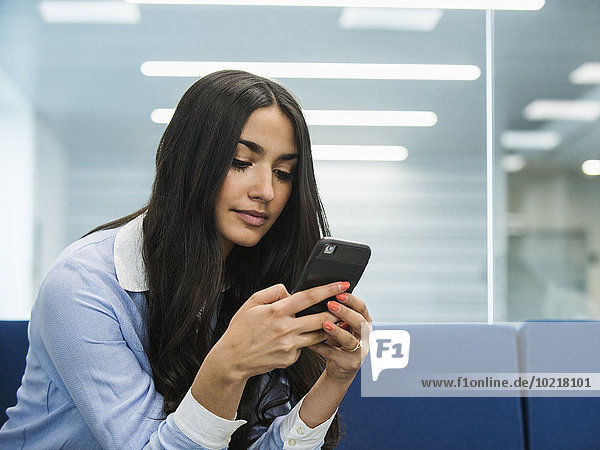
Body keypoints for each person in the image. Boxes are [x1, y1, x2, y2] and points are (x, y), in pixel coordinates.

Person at [0, 70, 372, 449]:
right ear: (190, 163)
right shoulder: (83, 285)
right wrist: (230, 365)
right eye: (241, 162)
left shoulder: (252, 278)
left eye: (283, 173)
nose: (266, 191)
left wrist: (335, 380)